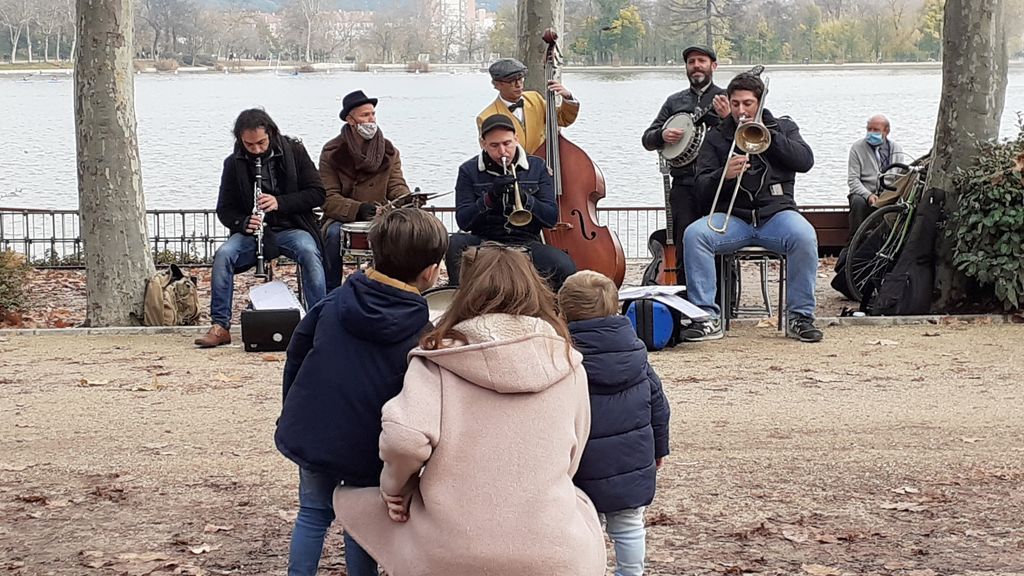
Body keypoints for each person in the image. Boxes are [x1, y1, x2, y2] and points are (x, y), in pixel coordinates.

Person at [332, 244, 606, 576]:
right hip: (554, 552)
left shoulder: (439, 358)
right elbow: (573, 453)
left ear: (467, 291)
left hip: (448, 552)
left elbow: (403, 440)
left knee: (352, 500)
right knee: (581, 508)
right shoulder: (567, 363)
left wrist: (394, 487)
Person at [274, 208, 449, 576]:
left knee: (312, 513)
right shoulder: (420, 330)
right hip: (368, 440)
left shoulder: (333, 303)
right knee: (363, 521)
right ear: (430, 271)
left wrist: (292, 408)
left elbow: (296, 354)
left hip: (316, 427)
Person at [683, 72, 824, 343]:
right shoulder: (716, 137)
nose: (741, 111)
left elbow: (805, 161)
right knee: (695, 235)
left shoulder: (783, 127)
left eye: (747, 104)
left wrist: (768, 138)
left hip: (776, 216)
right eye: (735, 104)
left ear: (759, 103)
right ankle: (705, 318)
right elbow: (699, 188)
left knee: (804, 236)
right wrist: (723, 176)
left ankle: (800, 317)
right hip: (733, 218)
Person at [557, 270, 671, 576]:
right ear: (617, 308)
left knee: (581, 527)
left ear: (562, 311)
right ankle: (630, 572)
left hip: (581, 465)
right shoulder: (638, 357)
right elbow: (659, 408)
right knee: (630, 525)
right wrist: (659, 448)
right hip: (629, 461)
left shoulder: (563, 358)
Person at [194, 108, 327, 348]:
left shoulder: (295, 152)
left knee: (309, 252)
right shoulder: (233, 163)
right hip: (254, 232)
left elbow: (317, 194)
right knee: (224, 255)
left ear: (272, 133)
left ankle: (320, 322)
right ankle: (220, 326)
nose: (256, 149)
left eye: (261, 143)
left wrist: (280, 203)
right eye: (249, 145)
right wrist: (244, 222)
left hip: (291, 227)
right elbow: (225, 209)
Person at [445, 114, 576, 290]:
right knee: (454, 244)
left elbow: (551, 217)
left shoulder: (537, 167)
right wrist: (490, 197)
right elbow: (463, 220)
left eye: (507, 143)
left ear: (516, 139)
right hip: (485, 239)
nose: (502, 152)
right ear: (483, 144)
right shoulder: (468, 170)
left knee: (564, 265)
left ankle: (554, 313)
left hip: (526, 241)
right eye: (494, 145)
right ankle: (458, 300)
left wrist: (525, 199)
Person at [642, 45, 731, 279]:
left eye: (701, 61)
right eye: (691, 62)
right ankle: (687, 301)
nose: (696, 66)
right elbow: (647, 139)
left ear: (714, 66)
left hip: (718, 183)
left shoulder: (726, 98)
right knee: (685, 243)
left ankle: (725, 300)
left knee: (720, 243)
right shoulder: (674, 101)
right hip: (684, 184)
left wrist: (728, 118)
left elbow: (741, 136)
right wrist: (662, 135)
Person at [319, 90, 414, 292]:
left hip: (381, 215)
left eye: (373, 114)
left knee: (400, 233)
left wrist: (405, 199)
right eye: (365, 115)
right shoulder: (331, 152)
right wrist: (359, 209)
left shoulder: (389, 150)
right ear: (350, 120)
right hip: (343, 217)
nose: (371, 120)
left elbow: (396, 184)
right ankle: (330, 291)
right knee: (333, 235)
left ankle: (395, 289)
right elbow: (328, 196)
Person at [476, 57, 579, 154]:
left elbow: (563, 119)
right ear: (497, 85)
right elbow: (492, 153)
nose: (518, 85)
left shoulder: (535, 98)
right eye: (512, 81)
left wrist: (568, 97)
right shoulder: (486, 117)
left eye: (521, 79)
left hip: (542, 166)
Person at [847, 114, 907, 236]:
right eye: (869, 129)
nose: (871, 133)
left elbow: (901, 178)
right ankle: (855, 240)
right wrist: (868, 195)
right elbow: (853, 180)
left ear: (886, 131)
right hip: (864, 192)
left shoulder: (896, 149)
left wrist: (889, 195)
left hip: (888, 192)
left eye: (876, 130)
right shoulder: (857, 148)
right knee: (858, 202)